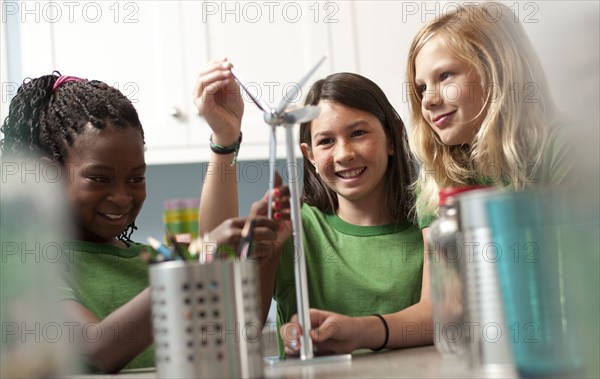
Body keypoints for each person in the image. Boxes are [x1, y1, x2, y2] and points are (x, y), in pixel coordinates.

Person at [0, 72, 283, 373]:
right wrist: (192, 263)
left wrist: (266, 253)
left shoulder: (153, 260)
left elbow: (232, 335)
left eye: (136, 178)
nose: (122, 197)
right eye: (99, 178)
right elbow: (97, 348)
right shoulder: (29, 265)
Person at [195, 60, 432, 357]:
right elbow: (218, 273)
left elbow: (443, 318)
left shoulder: (428, 225)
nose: (344, 154)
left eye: (359, 133)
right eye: (326, 141)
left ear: (392, 138)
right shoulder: (294, 229)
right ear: (309, 157)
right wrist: (224, 138)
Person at [405, 2, 574, 229]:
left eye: (445, 76)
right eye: (422, 87)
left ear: (497, 70)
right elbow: (435, 264)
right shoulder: (436, 176)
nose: (427, 100)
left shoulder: (566, 145)